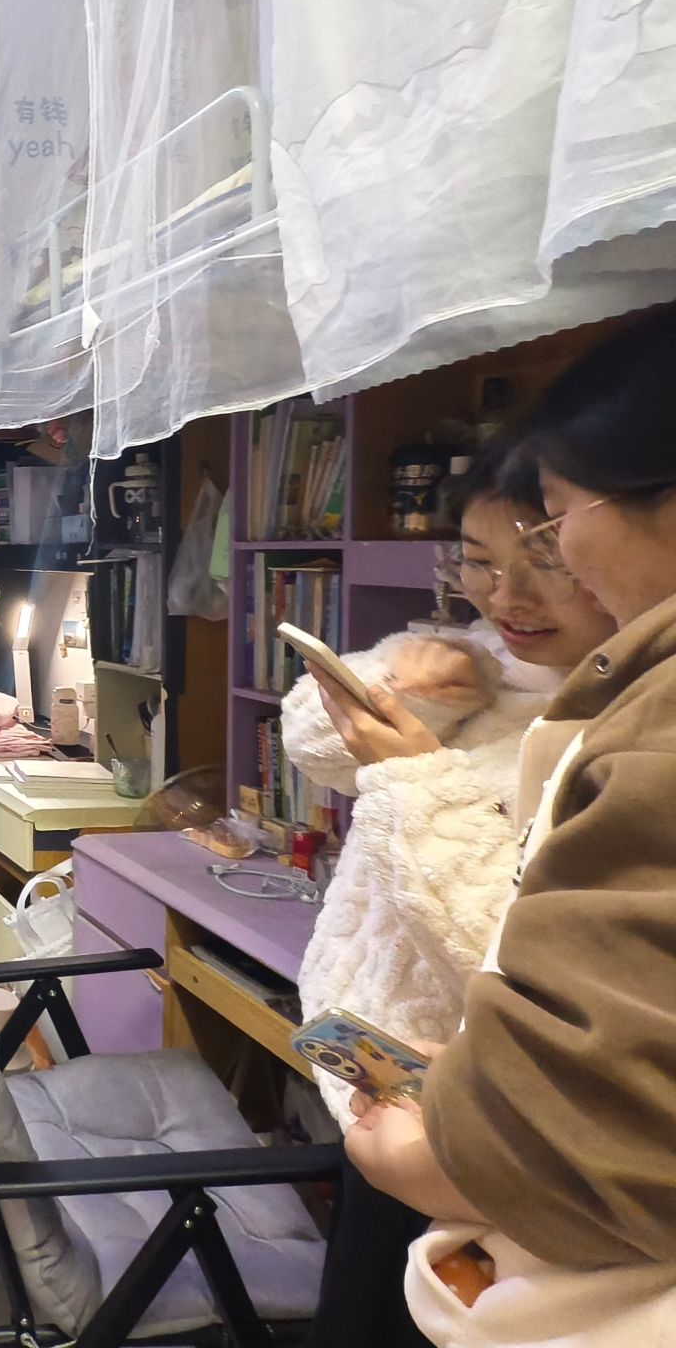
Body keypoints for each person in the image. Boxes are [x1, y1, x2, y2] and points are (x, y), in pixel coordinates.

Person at [345, 315, 676, 1341]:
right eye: (481, 563)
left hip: (498, 1179)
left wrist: (439, 1149)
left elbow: (590, 1112)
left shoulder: (640, 712)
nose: (516, 588)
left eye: (553, 528)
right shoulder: (506, 678)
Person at [279, 442, 614, 1348]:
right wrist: (409, 683)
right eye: (478, 561)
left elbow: (524, 966)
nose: (507, 597)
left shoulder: (614, 730)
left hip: (500, 1133)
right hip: (387, 1081)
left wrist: (417, 774)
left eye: (545, 560)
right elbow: (311, 736)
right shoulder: (486, 658)